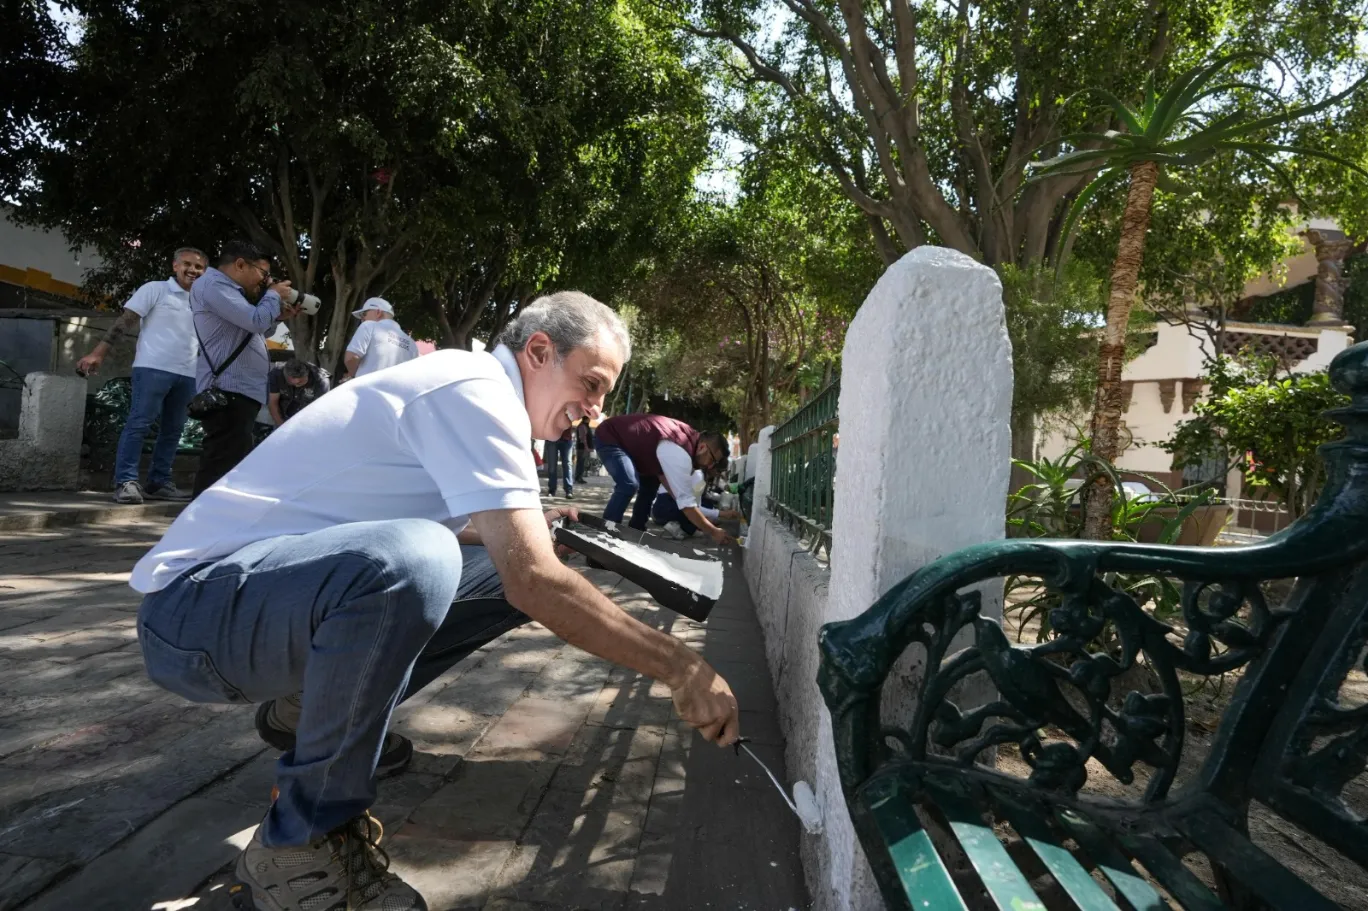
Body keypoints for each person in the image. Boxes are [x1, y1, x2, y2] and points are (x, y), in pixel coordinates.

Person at [128, 291, 739, 911]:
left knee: (493, 569)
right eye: (592, 382)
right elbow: (535, 580)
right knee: (427, 560)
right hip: (192, 613)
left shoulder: (482, 391)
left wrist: (534, 528)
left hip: (262, 600)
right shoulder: (474, 390)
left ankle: (311, 707)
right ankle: (300, 840)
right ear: (538, 351)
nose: (595, 409)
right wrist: (682, 666)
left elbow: (506, 564)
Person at [76, 247, 208, 504]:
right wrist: (98, 353)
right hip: (152, 368)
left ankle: (158, 483)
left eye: (199, 267)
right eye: (187, 264)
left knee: (173, 431)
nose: (193, 270)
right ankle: (125, 481)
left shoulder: (204, 302)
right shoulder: (155, 289)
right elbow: (124, 322)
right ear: (175, 266)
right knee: (139, 423)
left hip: (188, 374)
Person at [190, 240, 301, 495]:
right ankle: (201, 526)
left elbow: (251, 329)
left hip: (239, 391)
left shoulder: (228, 291)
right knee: (220, 465)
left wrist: (277, 315)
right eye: (263, 274)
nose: (264, 281)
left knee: (228, 463)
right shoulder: (214, 284)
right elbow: (255, 321)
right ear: (240, 264)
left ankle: (209, 524)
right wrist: (273, 295)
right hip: (227, 390)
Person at [594, 413, 732, 544]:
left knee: (650, 484)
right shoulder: (680, 451)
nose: (710, 466)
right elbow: (686, 504)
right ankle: (605, 537)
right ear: (702, 447)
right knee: (629, 483)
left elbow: (675, 491)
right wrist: (713, 531)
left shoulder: (687, 439)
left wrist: (699, 518)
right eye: (713, 460)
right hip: (611, 437)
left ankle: (636, 531)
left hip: (640, 454)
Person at [652, 468, 742, 538]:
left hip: (658, 509)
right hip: (667, 510)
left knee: (707, 507)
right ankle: (679, 526)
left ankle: (675, 524)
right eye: (718, 472)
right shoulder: (699, 476)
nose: (717, 474)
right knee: (699, 519)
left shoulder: (695, 472)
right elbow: (694, 508)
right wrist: (722, 514)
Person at [343, 297, 417, 380]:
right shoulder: (412, 344)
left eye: (364, 314)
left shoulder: (368, 326)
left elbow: (351, 358)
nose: (362, 319)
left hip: (367, 390)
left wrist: (354, 375)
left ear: (378, 312)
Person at [267, 358, 330, 426]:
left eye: (300, 382)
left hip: (308, 420)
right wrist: (281, 426)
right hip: (283, 415)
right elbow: (272, 402)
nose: (296, 385)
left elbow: (319, 411)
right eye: (291, 383)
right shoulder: (276, 374)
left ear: (307, 374)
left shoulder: (321, 381)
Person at [544, 427, 574, 499]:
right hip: (551, 438)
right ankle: (552, 490)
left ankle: (569, 490)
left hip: (566, 438)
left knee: (567, 465)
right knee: (552, 466)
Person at [574, 416, 593, 483]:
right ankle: (578, 478)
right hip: (582, 448)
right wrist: (586, 447)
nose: (590, 420)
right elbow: (583, 438)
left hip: (583, 448)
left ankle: (579, 477)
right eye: (589, 419)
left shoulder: (585, 426)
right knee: (581, 463)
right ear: (586, 419)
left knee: (582, 463)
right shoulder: (582, 426)